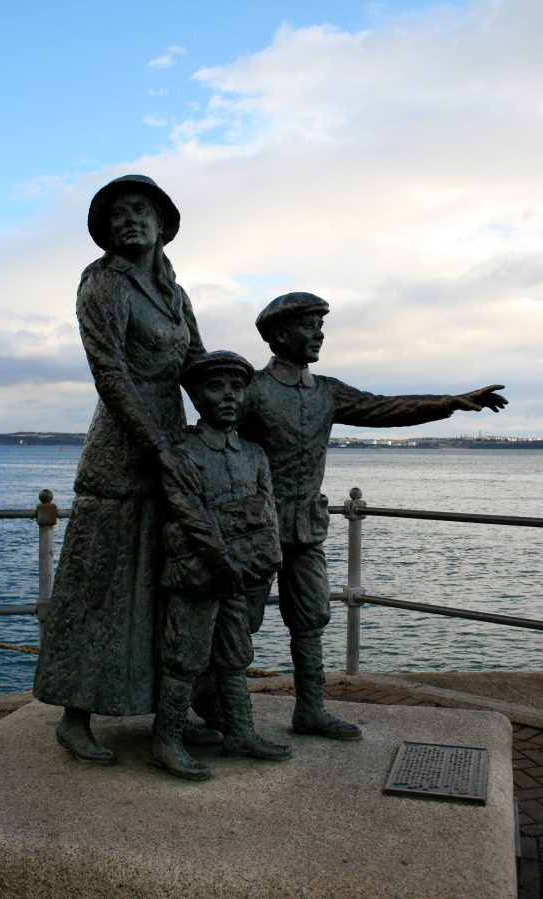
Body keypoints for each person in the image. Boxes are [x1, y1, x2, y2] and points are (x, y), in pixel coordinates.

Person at [240, 291, 508, 742]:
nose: (319, 333)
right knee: (239, 621)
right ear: (279, 334)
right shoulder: (251, 390)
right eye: (309, 324)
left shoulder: (326, 391)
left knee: (310, 619)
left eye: (320, 324)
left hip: (306, 527)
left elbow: (384, 408)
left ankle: (310, 710)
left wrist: (450, 402)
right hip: (254, 527)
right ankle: (221, 710)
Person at [34, 175, 212, 764]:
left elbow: (199, 367)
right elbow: (110, 372)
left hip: (171, 448)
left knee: (164, 581)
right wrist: (158, 446)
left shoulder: (173, 294)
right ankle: (74, 714)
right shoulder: (101, 283)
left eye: (141, 211)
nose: (129, 220)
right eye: (118, 214)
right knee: (99, 585)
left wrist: (238, 407)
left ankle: (169, 707)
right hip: (120, 453)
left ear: (163, 224)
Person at [153, 351, 291, 780]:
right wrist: (223, 559)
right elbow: (188, 513)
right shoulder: (182, 453)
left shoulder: (254, 454)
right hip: (198, 575)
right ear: (195, 396)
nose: (229, 396)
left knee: (235, 656)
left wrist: (265, 563)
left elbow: (267, 512)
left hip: (242, 575)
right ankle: (167, 740)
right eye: (216, 387)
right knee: (185, 659)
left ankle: (240, 732)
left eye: (236, 387)